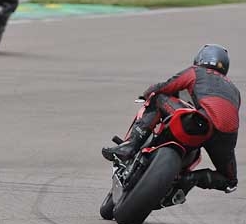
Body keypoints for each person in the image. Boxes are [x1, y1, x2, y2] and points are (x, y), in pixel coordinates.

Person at [102, 44, 240, 194]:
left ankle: (129, 146)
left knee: (158, 97)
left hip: (200, 123)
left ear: (200, 58)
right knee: (230, 181)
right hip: (226, 137)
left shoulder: (197, 71)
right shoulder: (234, 90)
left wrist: (147, 93)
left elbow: (166, 86)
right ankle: (188, 179)